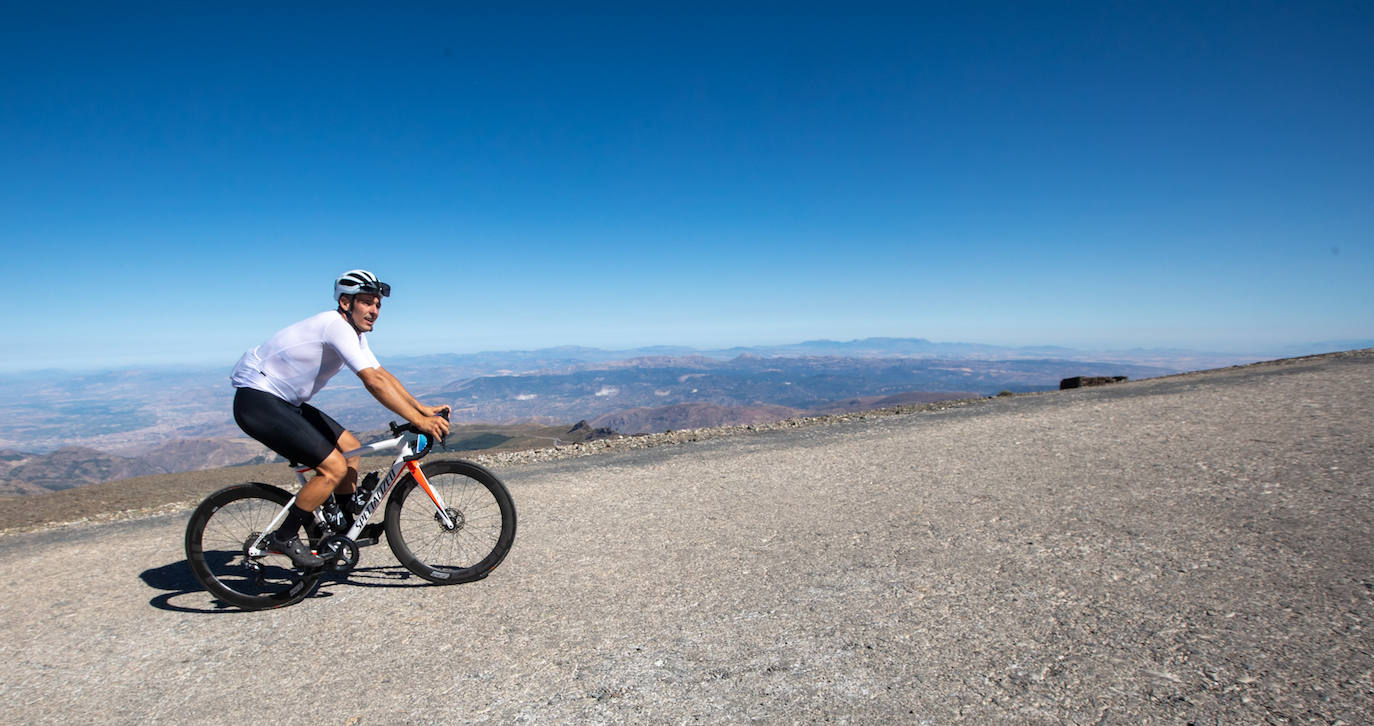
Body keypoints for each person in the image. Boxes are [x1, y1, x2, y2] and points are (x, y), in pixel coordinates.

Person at [229, 269, 451, 567]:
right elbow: (371, 383)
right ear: (346, 302)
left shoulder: (354, 333)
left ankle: (345, 522)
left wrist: (421, 409)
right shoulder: (335, 326)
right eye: (367, 303)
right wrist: (418, 421)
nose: (374, 310)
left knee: (350, 447)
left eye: (378, 305)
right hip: (258, 401)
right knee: (333, 468)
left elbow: (381, 375)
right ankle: (285, 536)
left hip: (283, 401)